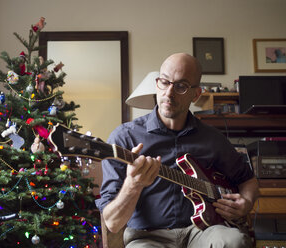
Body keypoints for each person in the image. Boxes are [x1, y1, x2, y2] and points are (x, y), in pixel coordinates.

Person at [95, 53, 259, 248]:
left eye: (180, 86)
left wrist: (246, 202)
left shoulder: (213, 139)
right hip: (147, 237)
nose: (169, 93)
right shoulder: (124, 138)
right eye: (164, 82)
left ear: (196, 94)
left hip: (203, 231)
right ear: (157, 83)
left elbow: (247, 180)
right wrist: (133, 184)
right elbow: (112, 223)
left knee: (234, 241)